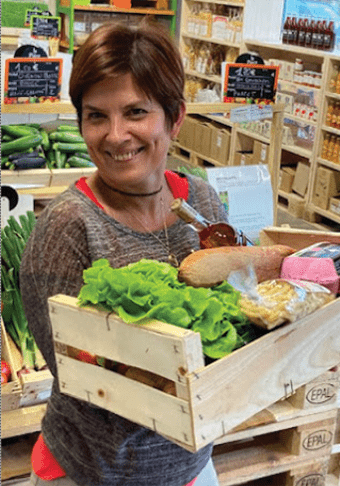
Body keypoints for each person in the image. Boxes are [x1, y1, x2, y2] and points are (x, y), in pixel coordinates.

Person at [20, 19, 226, 486]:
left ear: (175, 117)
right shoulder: (67, 228)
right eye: (96, 115)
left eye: (135, 112)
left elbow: (240, 315)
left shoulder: (205, 205)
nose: (115, 135)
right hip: (92, 472)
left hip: (193, 463)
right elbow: (79, 379)